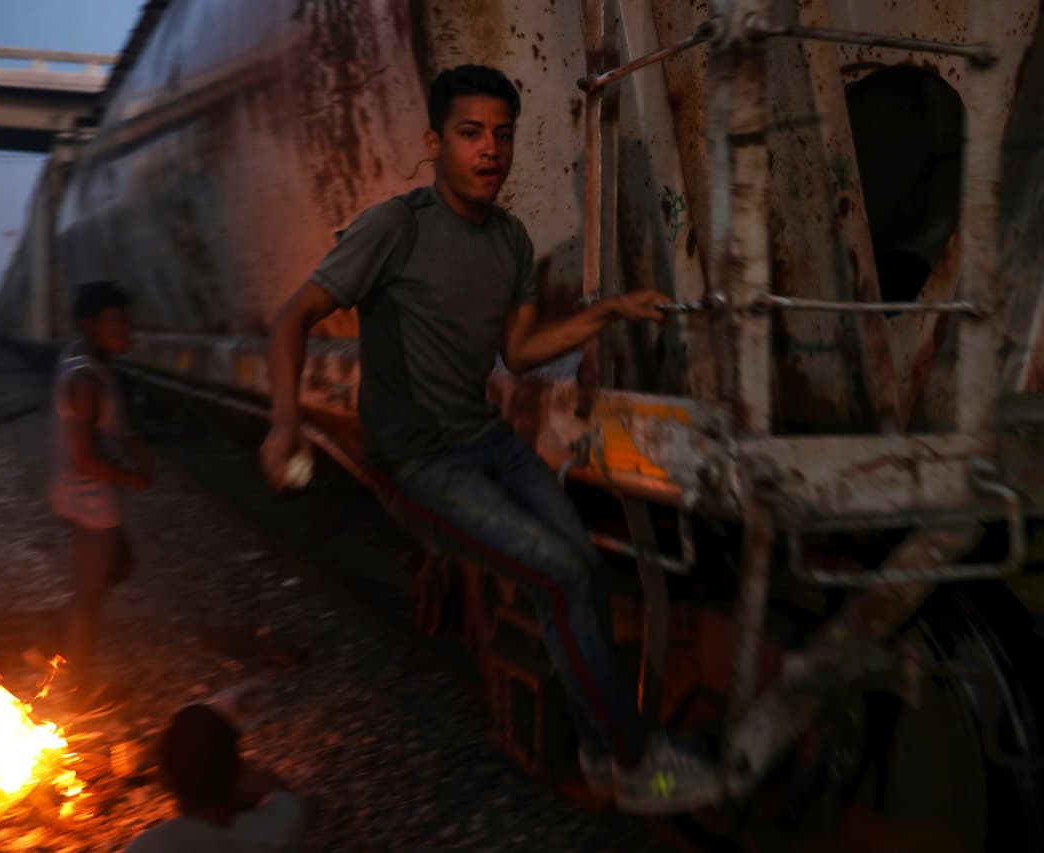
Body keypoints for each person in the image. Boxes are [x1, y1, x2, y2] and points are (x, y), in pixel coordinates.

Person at [259, 65, 719, 814]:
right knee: (557, 575)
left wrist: (608, 312)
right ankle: (637, 759)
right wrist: (284, 423)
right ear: (435, 143)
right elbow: (291, 319)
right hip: (419, 462)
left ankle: (602, 749)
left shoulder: (510, 239)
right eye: (471, 134)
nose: (490, 150)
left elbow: (521, 353)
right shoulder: (395, 228)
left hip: (488, 442)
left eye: (502, 135)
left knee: (585, 572)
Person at [39, 280, 153, 701]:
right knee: (87, 601)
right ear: (89, 324)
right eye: (116, 322)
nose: (126, 330)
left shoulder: (86, 362)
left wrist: (129, 445)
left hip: (89, 501)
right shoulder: (85, 379)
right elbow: (83, 459)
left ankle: (57, 640)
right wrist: (132, 477)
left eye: (127, 321)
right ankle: (76, 690)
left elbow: (103, 436)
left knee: (119, 566)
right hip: (88, 504)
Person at [125, 704, 304, 853]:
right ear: (239, 771)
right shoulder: (276, 831)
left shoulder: (146, 847)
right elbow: (280, 794)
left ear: (164, 781)